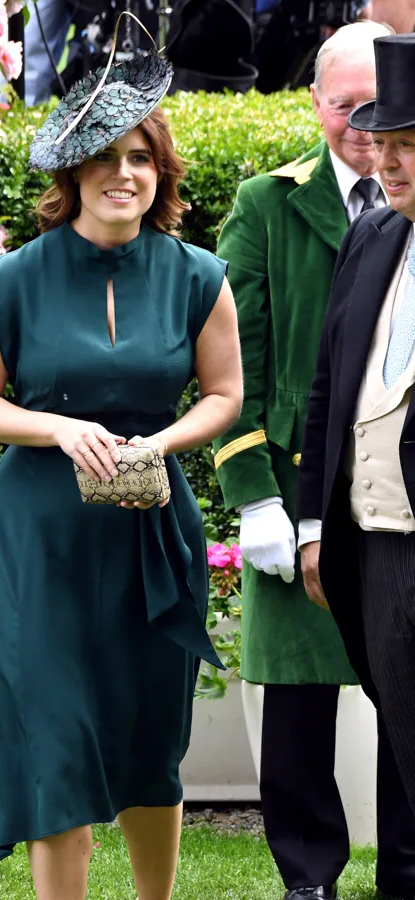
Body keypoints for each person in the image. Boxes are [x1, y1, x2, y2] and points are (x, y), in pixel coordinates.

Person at [0, 22, 243, 900]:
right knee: (57, 739)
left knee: (153, 737)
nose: (125, 174)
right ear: (72, 172)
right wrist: (54, 428)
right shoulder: (15, 280)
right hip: (39, 543)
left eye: (142, 159)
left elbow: (225, 397)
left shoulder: (199, 275)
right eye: (106, 158)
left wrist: (162, 440)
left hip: (151, 532)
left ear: (161, 174)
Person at [212, 21, 415, 900]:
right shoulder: (269, 201)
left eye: (389, 121)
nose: (368, 133)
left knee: (404, 704)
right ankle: (308, 876)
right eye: (349, 109)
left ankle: (404, 866)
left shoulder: (393, 209)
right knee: (296, 706)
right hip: (301, 486)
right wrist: (262, 498)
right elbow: (232, 363)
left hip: (386, 505)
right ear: (315, 103)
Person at [297, 28, 415, 855]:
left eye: (411, 146)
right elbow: (326, 394)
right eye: (388, 144)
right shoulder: (372, 237)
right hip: (375, 550)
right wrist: (312, 524)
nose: (391, 163)